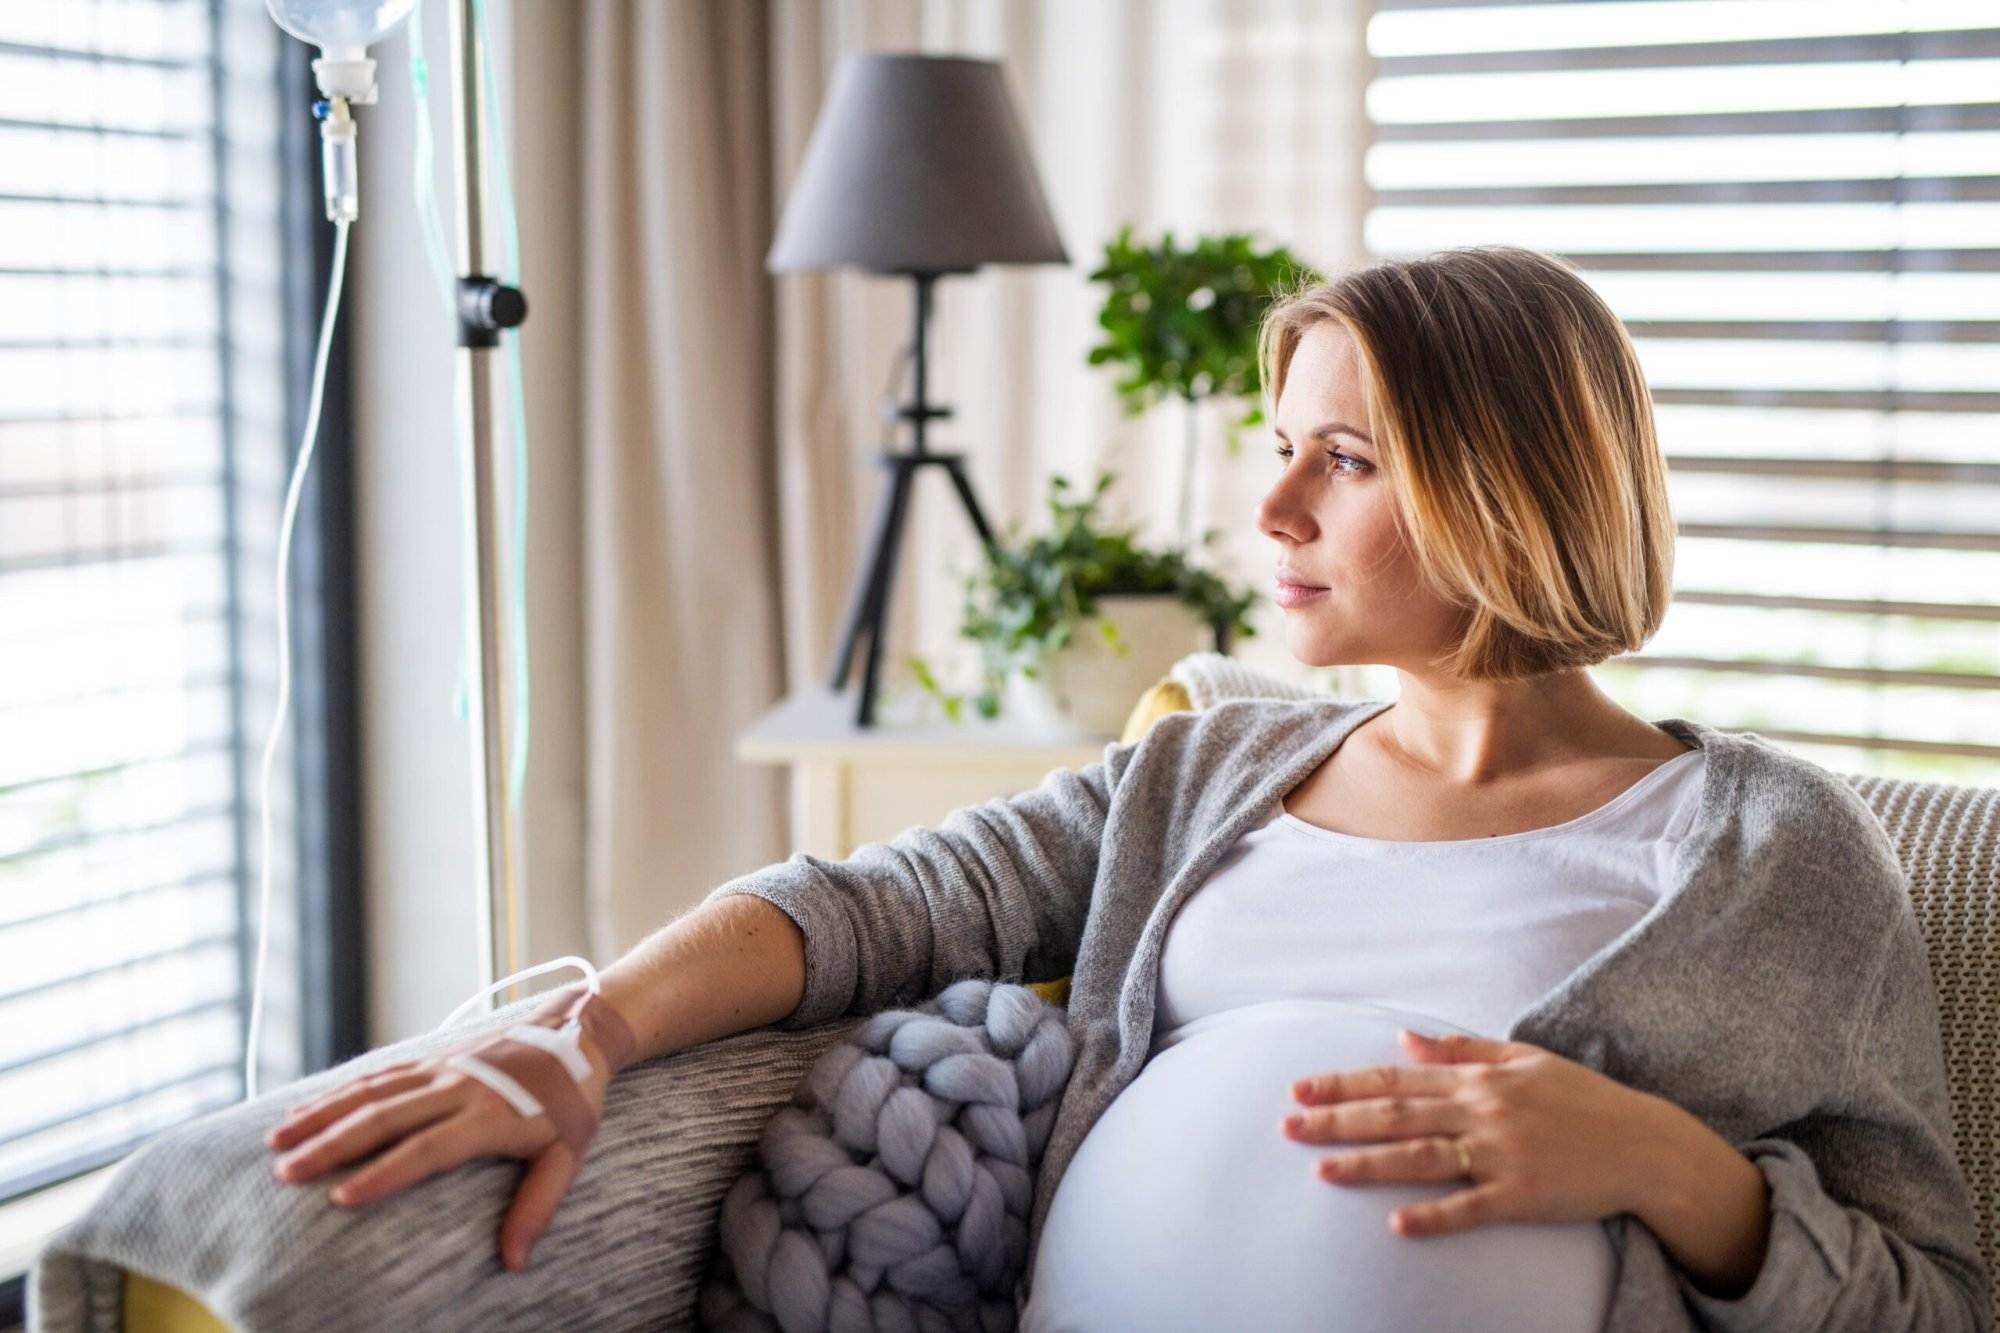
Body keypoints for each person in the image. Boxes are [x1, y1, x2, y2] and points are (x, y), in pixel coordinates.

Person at [264, 246, 1991, 1330]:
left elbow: (1930, 1299)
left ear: (1512, 489)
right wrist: (589, 1031)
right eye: (1281, 443)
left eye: (1348, 457)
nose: (1275, 513)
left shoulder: (1775, 855)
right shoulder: (1202, 769)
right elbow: (882, 899)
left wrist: (1675, 1170)